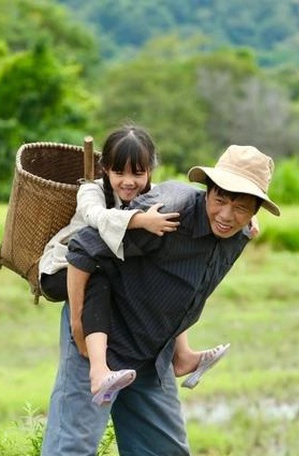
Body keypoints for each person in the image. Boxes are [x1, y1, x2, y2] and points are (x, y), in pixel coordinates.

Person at [41, 144, 280, 456]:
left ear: (255, 210)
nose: (225, 215)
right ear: (207, 191)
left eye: (240, 207)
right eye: (220, 200)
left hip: (153, 353)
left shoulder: (240, 233)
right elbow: (84, 247)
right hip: (102, 336)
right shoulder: (167, 215)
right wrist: (77, 325)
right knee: (72, 449)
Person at [37, 125, 231, 405]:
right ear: (105, 169)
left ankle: (183, 355)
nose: (128, 182)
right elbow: (95, 218)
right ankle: (99, 371)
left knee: (165, 271)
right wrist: (139, 220)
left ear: (150, 169)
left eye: (137, 173)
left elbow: (192, 198)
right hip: (64, 267)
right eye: (119, 173)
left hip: (103, 263)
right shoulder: (91, 191)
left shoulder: (152, 196)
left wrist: (243, 211)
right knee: (100, 278)